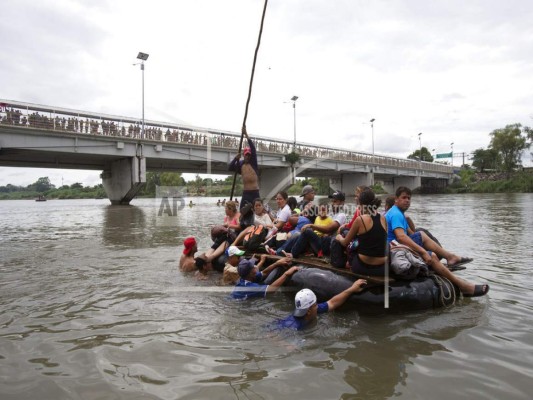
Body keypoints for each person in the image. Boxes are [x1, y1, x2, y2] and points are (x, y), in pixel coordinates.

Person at [386, 186, 489, 297]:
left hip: (397, 246)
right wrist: (423, 252)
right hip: (396, 250)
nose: (407, 200)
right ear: (396, 199)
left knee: (420, 234)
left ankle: (450, 258)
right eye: (404, 197)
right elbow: (401, 237)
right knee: (432, 255)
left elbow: (411, 233)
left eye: (409, 198)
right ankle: (463, 285)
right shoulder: (396, 214)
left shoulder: (397, 212)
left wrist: (409, 221)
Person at [276, 279, 367, 330]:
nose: (317, 306)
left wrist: (352, 289)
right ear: (308, 311)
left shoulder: (310, 311)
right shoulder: (293, 326)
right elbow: (274, 338)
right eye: (315, 304)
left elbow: (332, 302)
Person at [336, 189, 388, 276]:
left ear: (362, 205)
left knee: (342, 239)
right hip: (382, 268)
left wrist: (338, 237)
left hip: (363, 267)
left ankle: (345, 264)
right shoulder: (383, 219)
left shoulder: (360, 219)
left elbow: (345, 243)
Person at [287, 191, 347, 258]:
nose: (333, 204)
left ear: (342, 203)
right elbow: (320, 216)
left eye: (335, 202)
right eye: (332, 201)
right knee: (301, 233)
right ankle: (289, 250)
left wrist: (312, 225)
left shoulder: (341, 215)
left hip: (329, 246)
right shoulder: (331, 214)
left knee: (307, 231)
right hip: (322, 241)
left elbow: (328, 229)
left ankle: (292, 254)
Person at [232, 257, 299, 300]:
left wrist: (277, 263)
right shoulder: (249, 287)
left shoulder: (246, 278)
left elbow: (264, 273)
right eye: (253, 267)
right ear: (250, 273)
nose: (255, 266)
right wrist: (286, 274)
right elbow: (271, 290)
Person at [228, 127, 259, 211]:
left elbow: (253, 148)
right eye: (246, 155)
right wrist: (235, 158)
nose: (248, 156)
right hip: (246, 192)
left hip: (255, 192)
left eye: (249, 155)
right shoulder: (240, 164)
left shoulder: (253, 162)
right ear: (244, 155)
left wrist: (246, 134)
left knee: (256, 211)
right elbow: (230, 168)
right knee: (242, 210)